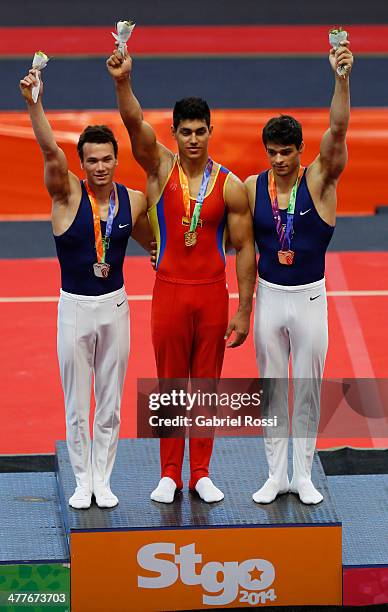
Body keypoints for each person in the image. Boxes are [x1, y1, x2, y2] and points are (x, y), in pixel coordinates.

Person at [107, 49, 256, 504]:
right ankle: (170, 473)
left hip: (212, 294)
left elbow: (246, 248)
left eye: (200, 131)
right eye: (185, 132)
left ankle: (202, 472)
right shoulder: (160, 167)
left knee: (206, 382)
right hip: (169, 292)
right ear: (174, 133)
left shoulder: (230, 185)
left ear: (211, 131)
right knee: (170, 382)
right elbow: (134, 125)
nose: (193, 139)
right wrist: (122, 82)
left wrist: (244, 310)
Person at [19, 68, 151, 509]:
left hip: (116, 307)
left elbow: (154, 239)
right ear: (82, 164)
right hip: (74, 307)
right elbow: (48, 148)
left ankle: (104, 479)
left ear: (117, 160)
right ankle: (81, 480)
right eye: (91, 160)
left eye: (106, 159)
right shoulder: (66, 196)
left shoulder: (131, 201)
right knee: (78, 404)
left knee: (110, 403)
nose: (99, 167)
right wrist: (35, 103)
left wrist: (159, 252)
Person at [245, 40, 354, 504]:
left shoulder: (320, 180)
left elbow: (339, 127)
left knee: (307, 389)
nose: (278, 160)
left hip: (310, 298)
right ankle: (274, 475)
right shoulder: (252, 187)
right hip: (270, 297)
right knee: (273, 390)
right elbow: (233, 240)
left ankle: (303, 474)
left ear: (300, 150)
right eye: (271, 151)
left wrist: (341, 78)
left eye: (286, 151)